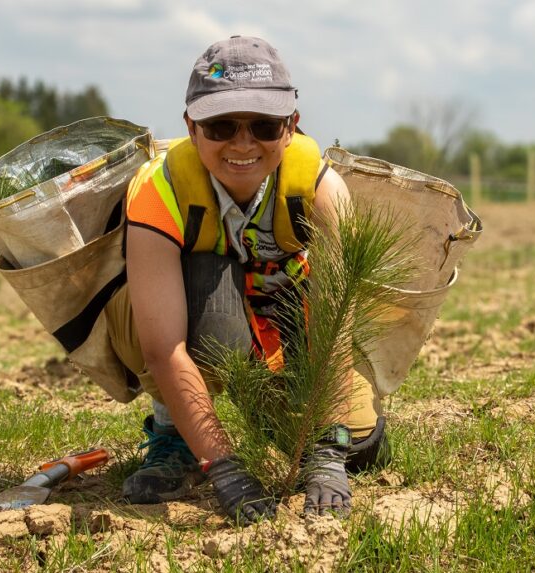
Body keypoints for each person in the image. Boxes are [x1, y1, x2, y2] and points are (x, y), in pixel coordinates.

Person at [103, 36, 389, 525]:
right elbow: (162, 348)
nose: (242, 144)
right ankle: (175, 434)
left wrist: (326, 449)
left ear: (291, 125)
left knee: (362, 447)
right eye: (219, 126)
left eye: (263, 125)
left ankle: (290, 425)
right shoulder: (158, 194)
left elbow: (334, 327)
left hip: (287, 322)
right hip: (201, 319)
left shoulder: (322, 191)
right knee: (204, 290)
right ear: (191, 128)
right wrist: (227, 469)